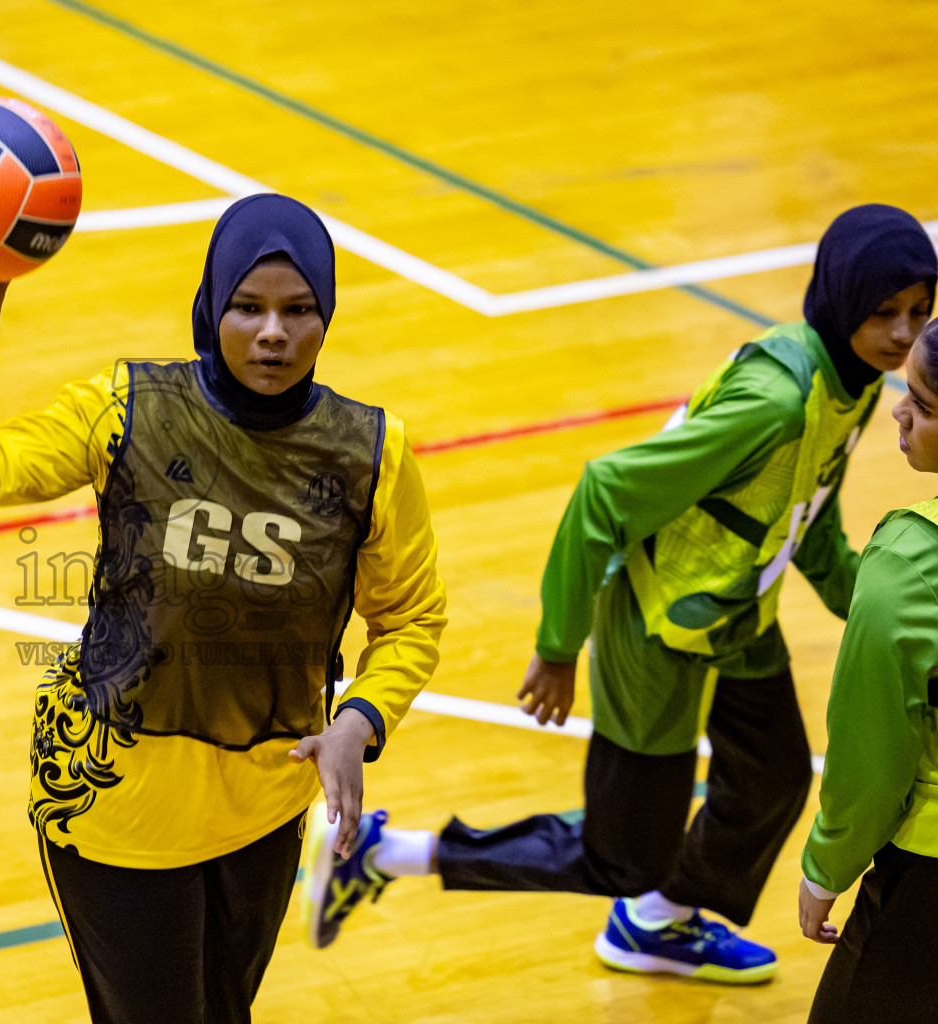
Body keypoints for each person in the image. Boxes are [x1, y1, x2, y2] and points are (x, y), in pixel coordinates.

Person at [300, 204, 937, 983]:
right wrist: (559, 647)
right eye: (885, 314)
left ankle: (659, 922)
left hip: (736, 611)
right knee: (625, 853)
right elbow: (603, 492)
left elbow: (807, 512)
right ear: (842, 301)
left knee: (772, 781)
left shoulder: (858, 384)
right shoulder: (775, 400)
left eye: (920, 312)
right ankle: (388, 854)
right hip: (657, 625)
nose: (905, 335)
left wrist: (875, 603)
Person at [0, 193, 447, 1024]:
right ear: (212, 307)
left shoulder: (372, 452)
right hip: (113, 802)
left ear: (326, 316)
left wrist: (361, 720)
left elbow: (412, 617)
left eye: (297, 311)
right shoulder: (128, 409)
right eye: (248, 308)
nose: (273, 332)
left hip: (265, 805)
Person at [799, 317, 938, 1022]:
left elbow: (872, 760)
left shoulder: (910, 568)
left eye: (926, 403)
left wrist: (827, 868)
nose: (901, 411)